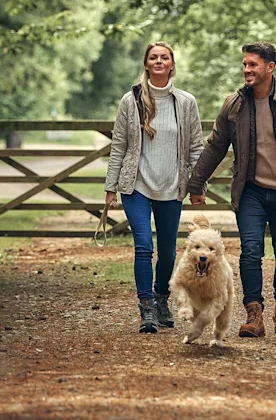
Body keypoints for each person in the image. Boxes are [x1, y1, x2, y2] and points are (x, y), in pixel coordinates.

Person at [188, 43, 276, 337]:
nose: (247, 70)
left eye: (253, 65)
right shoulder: (234, 105)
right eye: (245, 65)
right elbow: (215, 147)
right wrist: (196, 184)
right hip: (251, 191)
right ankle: (254, 313)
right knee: (251, 251)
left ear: (270, 67)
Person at [104, 42, 204, 333]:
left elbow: (196, 148)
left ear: (172, 64)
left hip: (172, 186)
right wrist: (111, 187)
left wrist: (198, 185)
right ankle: (146, 308)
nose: (159, 61)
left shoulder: (186, 102)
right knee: (144, 247)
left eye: (164, 57)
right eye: (153, 57)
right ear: (146, 64)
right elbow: (119, 146)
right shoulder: (130, 100)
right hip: (136, 185)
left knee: (169, 253)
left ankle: (161, 298)